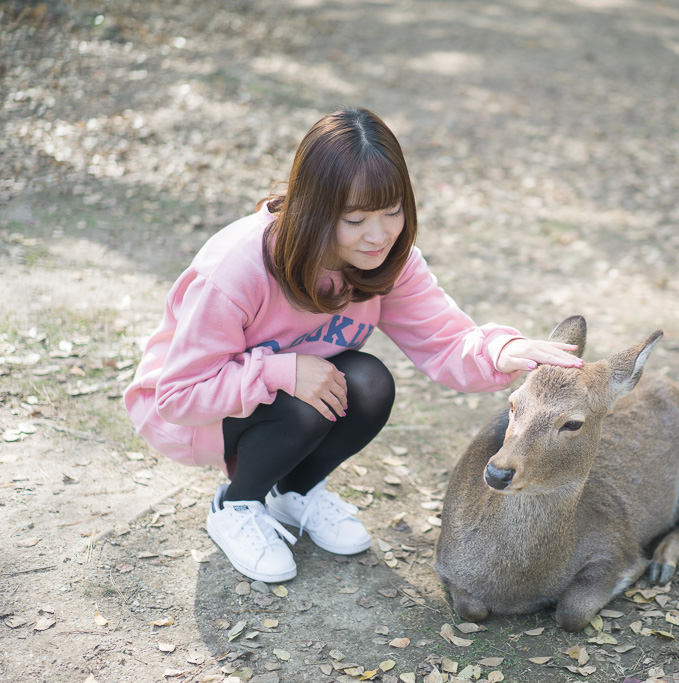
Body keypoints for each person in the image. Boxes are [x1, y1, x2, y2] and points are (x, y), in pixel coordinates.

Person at [123, 107, 583, 583]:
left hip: (289, 398)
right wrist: (283, 371)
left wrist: (497, 351)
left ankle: (294, 491)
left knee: (369, 382)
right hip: (195, 414)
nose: (380, 234)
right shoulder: (235, 268)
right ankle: (237, 503)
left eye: (392, 212)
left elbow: (445, 339)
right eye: (357, 218)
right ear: (313, 211)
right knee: (306, 400)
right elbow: (178, 395)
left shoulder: (384, 261)